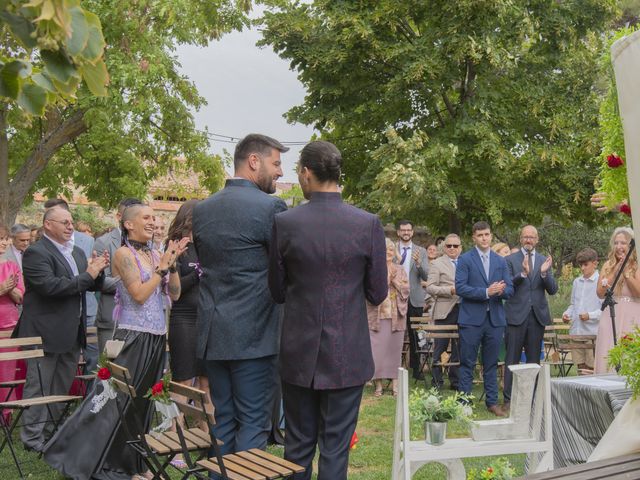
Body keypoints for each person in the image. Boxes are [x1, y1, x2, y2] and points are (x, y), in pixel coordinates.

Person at [269, 140, 388, 480]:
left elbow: (276, 291)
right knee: (335, 449)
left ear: (306, 173)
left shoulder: (285, 223)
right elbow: (378, 292)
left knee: (298, 446)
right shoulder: (367, 224)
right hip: (347, 352)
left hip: (298, 351)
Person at [43, 203, 188, 479]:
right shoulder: (124, 254)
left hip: (157, 339)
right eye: (146, 217)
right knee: (117, 403)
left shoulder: (157, 253)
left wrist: (173, 265)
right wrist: (160, 270)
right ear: (128, 224)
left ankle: (134, 464)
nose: (151, 222)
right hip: (132, 338)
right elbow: (139, 295)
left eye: (154, 217)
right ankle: (85, 456)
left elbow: (177, 295)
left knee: (142, 405)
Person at [193, 133, 288, 455]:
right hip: (255, 335)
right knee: (254, 422)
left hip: (214, 332)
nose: (280, 172)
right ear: (253, 161)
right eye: (276, 163)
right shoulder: (271, 206)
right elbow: (283, 267)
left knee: (224, 419)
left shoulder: (203, 209)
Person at [17, 206, 108, 452]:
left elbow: (89, 285)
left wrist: (98, 270)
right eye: (64, 222)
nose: (70, 226)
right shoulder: (36, 253)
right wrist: (89, 274)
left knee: (61, 386)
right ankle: (32, 438)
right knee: (40, 387)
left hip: (71, 332)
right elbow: (52, 287)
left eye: (71, 222)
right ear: (48, 224)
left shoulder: (77, 253)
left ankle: (50, 431)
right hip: (43, 332)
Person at [455, 221, 513, 417]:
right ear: (474, 237)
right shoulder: (465, 260)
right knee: (467, 362)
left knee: (491, 363)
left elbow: (510, 289)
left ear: (491, 236)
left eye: (487, 235)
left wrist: (502, 290)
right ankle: (464, 402)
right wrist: (486, 292)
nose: (484, 238)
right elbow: (460, 287)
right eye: (480, 235)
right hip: (471, 319)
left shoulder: (500, 261)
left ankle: (492, 402)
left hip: (495, 320)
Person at [166, 201, 211, 422]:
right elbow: (175, 290)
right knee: (183, 381)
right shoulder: (175, 246)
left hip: (207, 319)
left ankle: (209, 440)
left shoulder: (206, 244)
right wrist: (198, 273)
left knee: (206, 381)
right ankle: (177, 443)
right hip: (184, 319)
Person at [503, 225, 557, 409]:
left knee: (534, 360)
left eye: (532, 237)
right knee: (512, 359)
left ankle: (532, 399)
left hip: (536, 317)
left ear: (537, 239)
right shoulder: (510, 260)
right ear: (520, 239)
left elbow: (553, 289)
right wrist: (523, 274)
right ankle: (509, 399)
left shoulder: (544, 260)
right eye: (525, 237)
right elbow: (506, 285)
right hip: (516, 316)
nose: (528, 240)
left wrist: (543, 273)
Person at [94, 198, 143, 354]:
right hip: (112, 318)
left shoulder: (147, 246)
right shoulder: (104, 242)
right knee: (109, 369)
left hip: (140, 319)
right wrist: (133, 283)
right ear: (119, 217)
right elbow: (100, 282)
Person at [367, 238, 409, 397]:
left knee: (394, 351)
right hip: (377, 316)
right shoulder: (373, 269)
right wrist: (386, 278)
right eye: (385, 250)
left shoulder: (400, 269)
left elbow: (406, 289)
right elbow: (370, 288)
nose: (388, 253)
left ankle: (395, 386)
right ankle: (378, 385)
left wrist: (395, 281)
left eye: (391, 250)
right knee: (377, 351)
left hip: (395, 316)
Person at [594, 227, 640, 373]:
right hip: (610, 315)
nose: (619, 247)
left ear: (631, 245)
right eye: (616, 243)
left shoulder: (637, 265)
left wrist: (626, 272)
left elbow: (638, 293)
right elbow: (600, 293)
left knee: (628, 352)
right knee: (607, 350)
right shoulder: (608, 265)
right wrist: (614, 271)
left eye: (623, 243)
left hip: (632, 315)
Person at [426, 233, 462, 390]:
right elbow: (430, 287)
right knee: (440, 346)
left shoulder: (466, 262)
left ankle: (455, 381)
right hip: (444, 310)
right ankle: (437, 381)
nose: (452, 248)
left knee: (460, 347)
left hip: (465, 309)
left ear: (460, 248)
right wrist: (450, 290)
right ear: (444, 247)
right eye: (449, 246)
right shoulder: (437, 264)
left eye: (455, 246)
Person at [396, 220, 429, 380]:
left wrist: (418, 263)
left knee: (418, 334)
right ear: (398, 232)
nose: (406, 232)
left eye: (409, 230)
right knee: (394, 333)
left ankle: (418, 369)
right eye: (403, 230)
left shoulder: (421, 251)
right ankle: (393, 368)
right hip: (395, 298)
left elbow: (427, 276)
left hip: (415, 299)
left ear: (412, 232)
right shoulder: (391, 249)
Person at [562, 248, 602, 371]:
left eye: (586, 264)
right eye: (581, 265)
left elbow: (605, 310)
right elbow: (573, 305)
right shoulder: (577, 282)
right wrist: (566, 314)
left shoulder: (601, 282)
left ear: (595, 263)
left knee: (590, 368)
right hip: (577, 332)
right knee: (580, 367)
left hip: (592, 332)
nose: (582, 268)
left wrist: (590, 315)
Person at [0, 224, 25, 414]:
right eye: (1, 239)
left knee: (7, 371)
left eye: (6, 239)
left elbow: (20, 297)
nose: (5, 243)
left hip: (8, 323)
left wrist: (10, 288)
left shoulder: (11, 266)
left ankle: (6, 413)